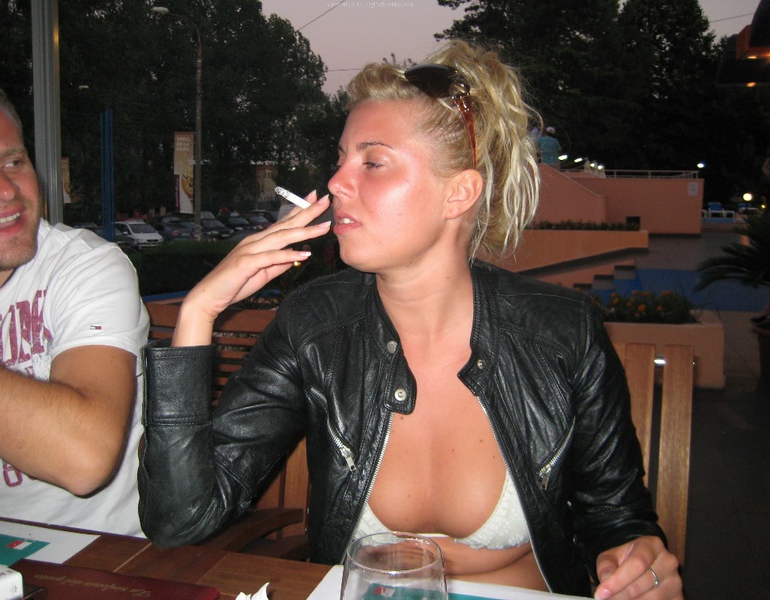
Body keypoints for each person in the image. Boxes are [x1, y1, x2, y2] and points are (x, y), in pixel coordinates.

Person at [138, 41, 683, 599]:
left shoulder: (563, 333)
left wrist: (635, 560)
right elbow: (180, 521)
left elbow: (618, 519)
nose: (336, 182)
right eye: (341, 159)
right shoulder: (314, 326)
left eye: (372, 162)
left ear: (458, 193)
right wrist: (200, 311)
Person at [0, 80, 148, 536]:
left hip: (103, 557)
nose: (4, 190)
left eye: (13, 162)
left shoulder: (85, 266)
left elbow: (83, 459)